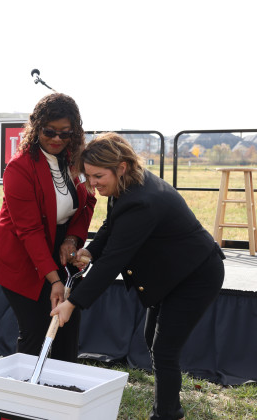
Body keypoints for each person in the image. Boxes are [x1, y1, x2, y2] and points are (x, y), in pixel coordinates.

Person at [52, 132, 225, 420]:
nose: (92, 184)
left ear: (120, 167)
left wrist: (73, 303)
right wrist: (91, 251)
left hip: (196, 275)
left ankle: (168, 414)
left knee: (164, 349)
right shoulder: (127, 186)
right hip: (171, 273)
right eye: (88, 177)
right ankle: (168, 402)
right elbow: (111, 226)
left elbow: (114, 261)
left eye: (98, 176)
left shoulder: (142, 201)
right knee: (153, 341)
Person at [0, 93, 96, 362]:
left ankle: (63, 392)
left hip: (59, 246)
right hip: (21, 252)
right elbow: (29, 231)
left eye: (65, 134)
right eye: (50, 132)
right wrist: (55, 279)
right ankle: (29, 396)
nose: (57, 139)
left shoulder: (75, 159)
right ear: (36, 128)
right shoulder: (19, 168)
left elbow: (87, 202)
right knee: (36, 329)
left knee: (68, 322)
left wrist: (72, 238)